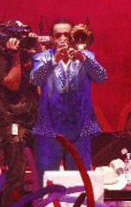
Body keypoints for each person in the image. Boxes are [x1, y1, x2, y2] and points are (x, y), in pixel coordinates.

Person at [31, 19, 107, 183]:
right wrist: (54, 61)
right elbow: (35, 79)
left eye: (66, 34)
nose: (63, 39)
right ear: (52, 38)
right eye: (58, 35)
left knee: (79, 180)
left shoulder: (87, 56)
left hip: (80, 127)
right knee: (47, 179)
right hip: (50, 128)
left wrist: (84, 59)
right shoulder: (42, 57)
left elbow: (102, 77)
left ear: (72, 36)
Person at [0, 22, 40, 207]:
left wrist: (39, 52)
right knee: (16, 172)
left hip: (31, 119)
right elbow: (13, 84)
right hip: (11, 121)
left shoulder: (29, 56)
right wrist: (15, 58)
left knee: (41, 169)